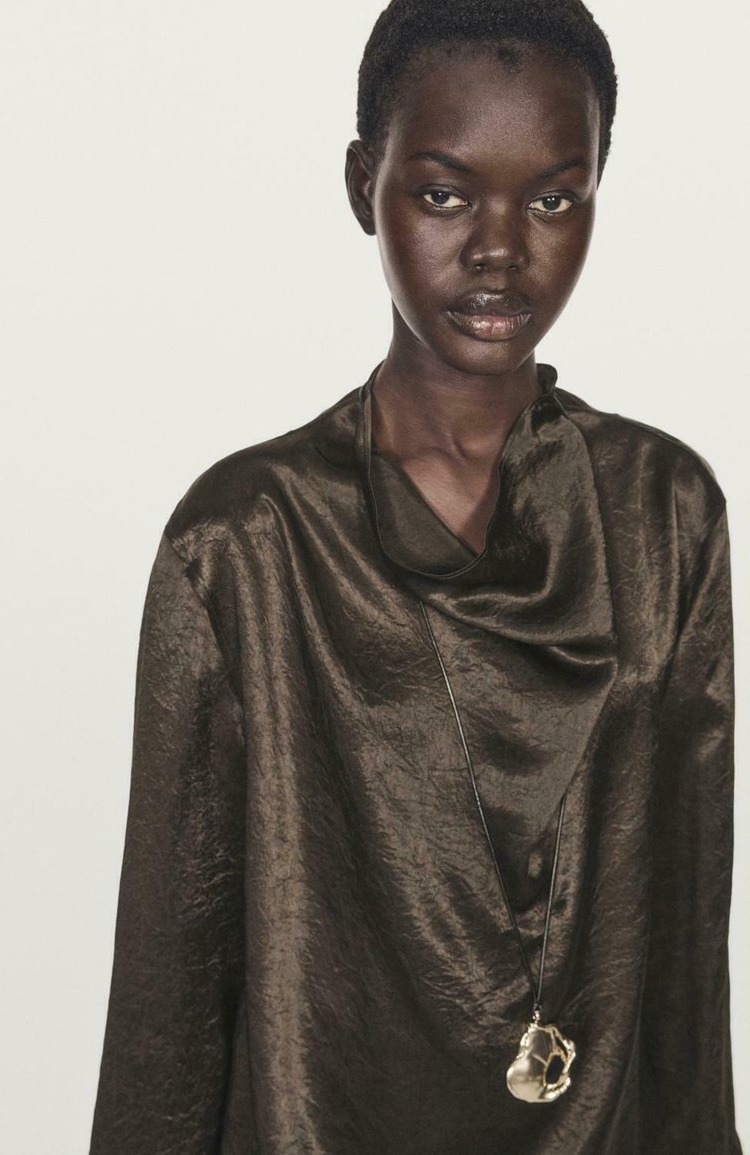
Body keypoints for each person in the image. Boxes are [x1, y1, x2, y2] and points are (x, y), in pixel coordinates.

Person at [89, 1, 743, 1151]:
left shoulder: (662, 513)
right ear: (363, 187)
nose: (499, 248)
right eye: (443, 194)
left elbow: (686, 972)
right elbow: (170, 985)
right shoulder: (242, 541)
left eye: (553, 199)